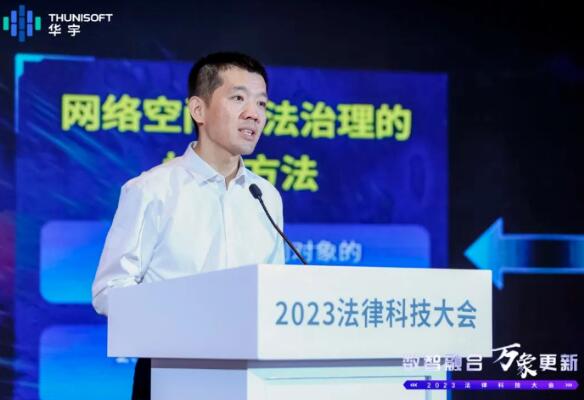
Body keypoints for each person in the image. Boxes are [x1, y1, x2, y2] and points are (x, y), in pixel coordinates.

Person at [91, 52, 284, 400]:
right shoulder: (152, 190)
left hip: (250, 378)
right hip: (170, 373)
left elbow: (275, 292)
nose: (254, 114)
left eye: (261, 103)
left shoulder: (265, 196)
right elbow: (110, 292)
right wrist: (184, 319)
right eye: (238, 98)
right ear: (198, 110)